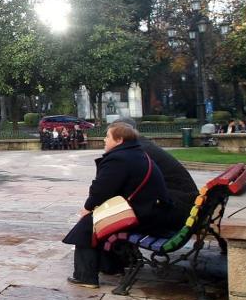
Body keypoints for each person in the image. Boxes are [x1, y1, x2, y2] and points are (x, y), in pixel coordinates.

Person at [63, 122, 176, 288]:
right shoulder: (136, 153)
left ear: (119, 140)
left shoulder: (119, 159)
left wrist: (87, 209)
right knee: (99, 220)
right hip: (155, 212)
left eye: (108, 136)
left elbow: (100, 190)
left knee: (88, 224)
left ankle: (85, 276)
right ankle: (111, 266)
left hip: (145, 217)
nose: (104, 139)